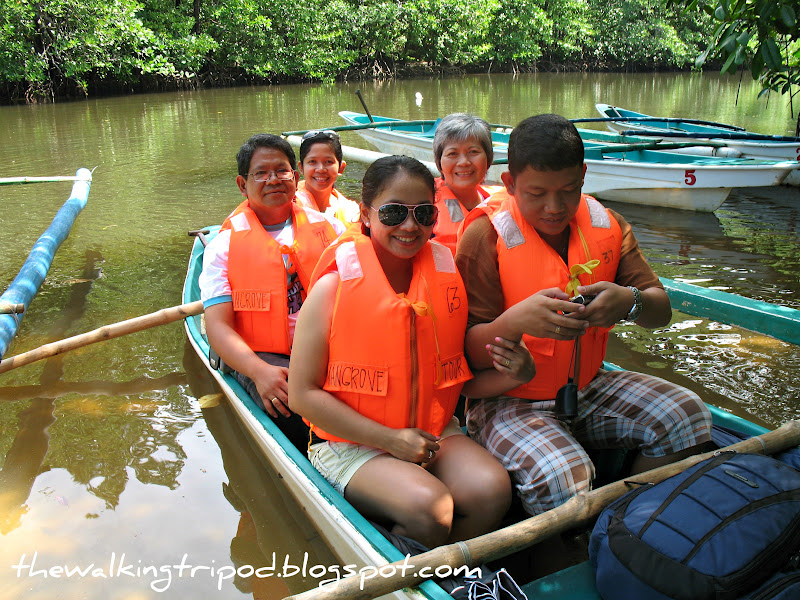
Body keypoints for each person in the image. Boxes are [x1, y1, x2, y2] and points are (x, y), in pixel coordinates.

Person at [455, 114, 715, 519]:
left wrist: (629, 302)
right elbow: (462, 357)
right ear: (509, 184)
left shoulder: (607, 223)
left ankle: (633, 524)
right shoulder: (484, 236)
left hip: (589, 388)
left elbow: (658, 309)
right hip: (506, 402)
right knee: (563, 476)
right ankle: (560, 554)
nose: (554, 207)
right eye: (537, 193)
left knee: (687, 415)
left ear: (583, 176)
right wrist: (516, 322)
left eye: (569, 190)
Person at [289, 156, 535, 549]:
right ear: (366, 214)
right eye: (392, 213)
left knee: (491, 490)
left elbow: (458, 382)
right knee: (430, 507)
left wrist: (517, 375)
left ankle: (442, 577)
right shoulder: (331, 290)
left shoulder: (446, 279)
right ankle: (405, 567)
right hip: (349, 444)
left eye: (423, 214)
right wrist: (389, 439)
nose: (410, 226)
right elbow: (301, 395)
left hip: (434, 431)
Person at [199, 133, 346, 451]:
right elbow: (218, 327)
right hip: (263, 356)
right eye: (261, 173)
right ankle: (324, 460)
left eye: (281, 170)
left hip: (325, 346)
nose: (273, 179)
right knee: (294, 406)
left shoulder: (331, 229)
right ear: (242, 184)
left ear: (295, 178)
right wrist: (259, 371)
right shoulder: (223, 247)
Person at [431, 113, 502, 255]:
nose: (464, 162)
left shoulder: (502, 202)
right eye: (452, 154)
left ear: (488, 159)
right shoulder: (422, 208)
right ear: (439, 162)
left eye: (473, 152)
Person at [295, 129, 360, 225]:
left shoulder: (351, 212)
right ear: (301, 168)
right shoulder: (289, 204)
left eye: (328, 162)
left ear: (341, 168)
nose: (320, 169)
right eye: (312, 161)